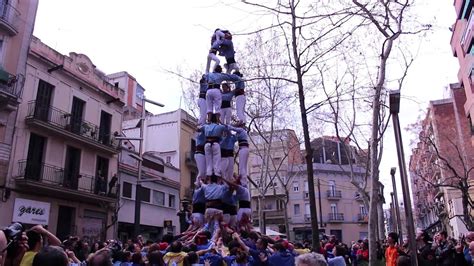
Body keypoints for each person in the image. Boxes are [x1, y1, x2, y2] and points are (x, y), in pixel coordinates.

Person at [203, 114, 227, 179]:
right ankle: (218, 177)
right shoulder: (219, 127)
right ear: (217, 120)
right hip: (215, 144)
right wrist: (221, 122)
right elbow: (227, 128)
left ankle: (209, 178)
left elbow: (198, 128)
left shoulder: (205, 126)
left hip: (207, 144)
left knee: (208, 162)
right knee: (217, 161)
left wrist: (207, 122)